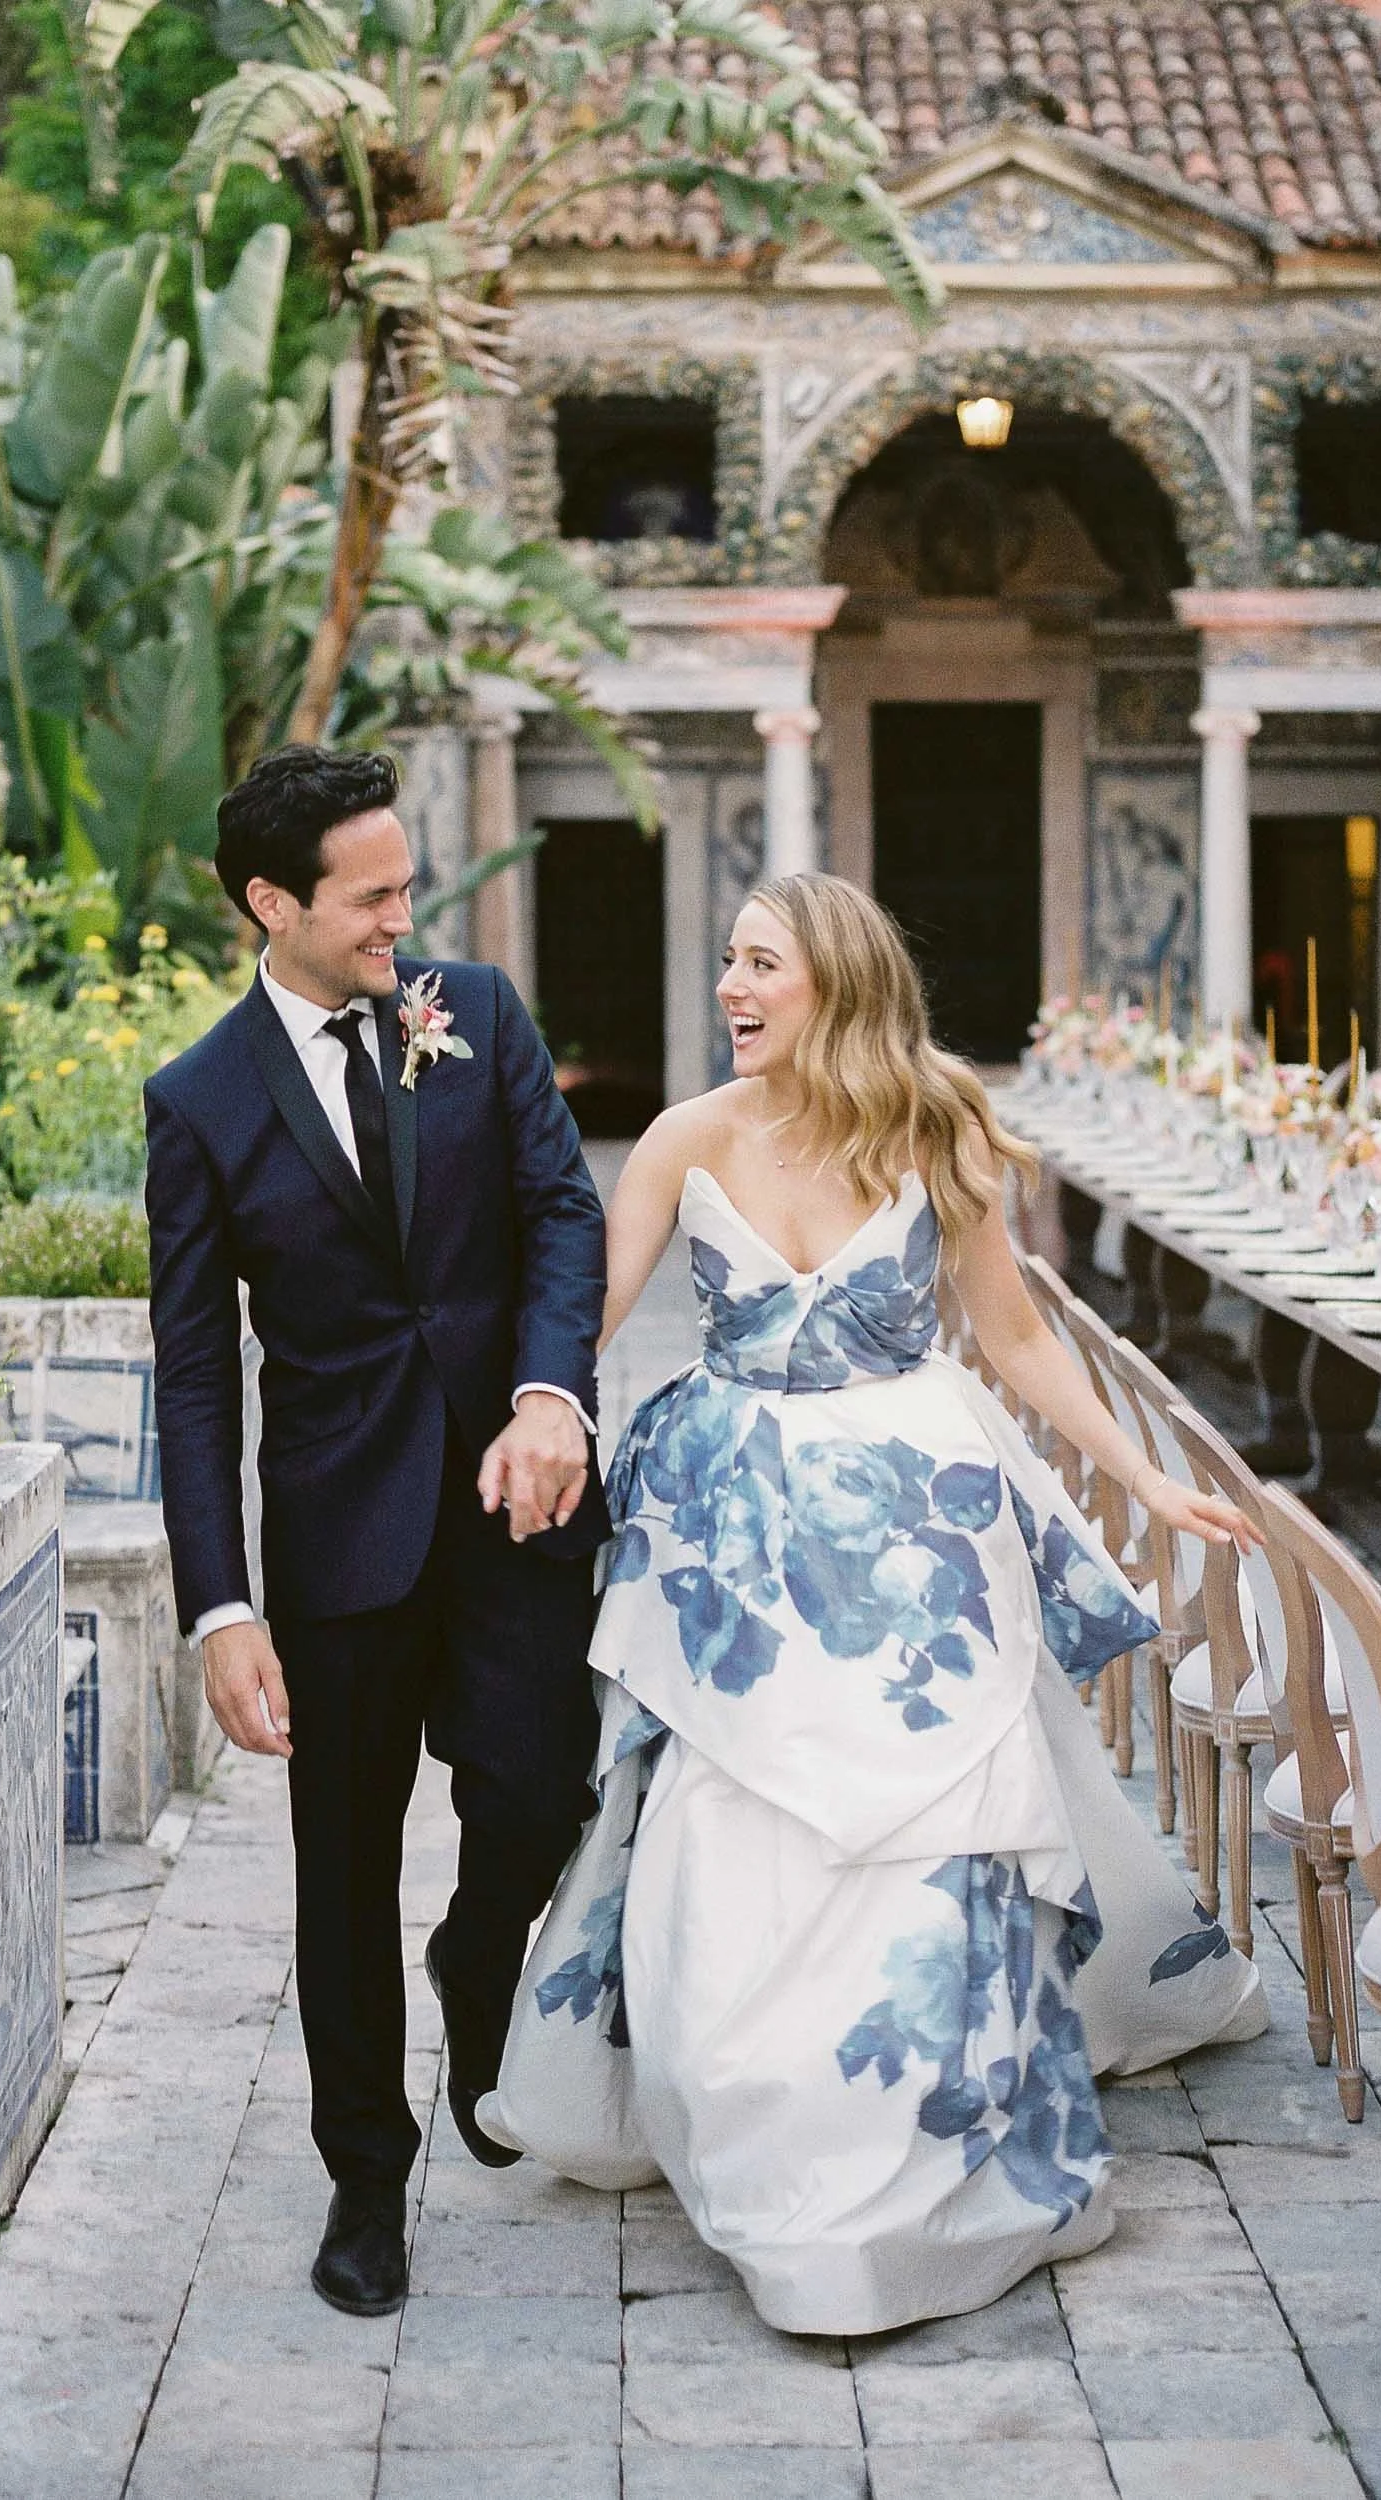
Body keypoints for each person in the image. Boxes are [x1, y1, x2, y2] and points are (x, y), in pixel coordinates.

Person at [487, 872, 1268, 2337]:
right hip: (730, 1533)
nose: (729, 986)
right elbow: (572, 1322)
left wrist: (1144, 1482)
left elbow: (1016, 1337)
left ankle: (933, 2134)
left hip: (916, 1532)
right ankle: (744, 2102)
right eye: (726, 959)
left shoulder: (939, 1123)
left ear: (834, 983)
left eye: (759, 963)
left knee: (941, 1812)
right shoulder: (680, 1137)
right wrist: (529, 1414)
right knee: (731, 1812)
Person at [144, 745, 608, 2320]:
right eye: (373, 895)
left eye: (409, 885)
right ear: (273, 903)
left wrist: (552, 1391)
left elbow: (561, 1209)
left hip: (517, 1501)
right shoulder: (198, 1102)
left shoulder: (474, 1014)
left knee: (545, 1788)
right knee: (341, 1868)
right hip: (337, 1541)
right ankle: (365, 2175)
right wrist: (220, 1610)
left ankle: (480, 1963)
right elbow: (197, 1373)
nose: (405, 917)